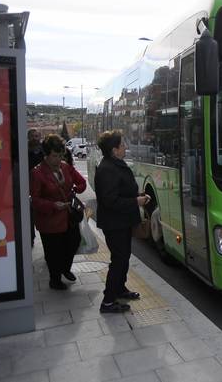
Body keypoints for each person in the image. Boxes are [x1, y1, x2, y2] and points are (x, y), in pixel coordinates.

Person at [95, 130, 150, 313]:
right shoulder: (107, 169)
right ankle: (108, 301)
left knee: (124, 257)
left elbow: (122, 191)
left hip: (122, 222)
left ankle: (120, 289)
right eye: (122, 144)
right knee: (118, 261)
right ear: (114, 149)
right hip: (114, 224)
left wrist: (138, 196)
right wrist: (136, 201)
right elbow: (110, 200)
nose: (125, 147)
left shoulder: (114, 164)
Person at [30, 134, 86, 290]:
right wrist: (54, 205)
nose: (58, 159)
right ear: (46, 155)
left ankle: (65, 268)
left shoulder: (65, 166)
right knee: (53, 252)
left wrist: (76, 189)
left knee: (73, 242)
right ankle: (54, 280)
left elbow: (81, 182)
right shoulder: (37, 173)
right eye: (54, 156)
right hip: (49, 221)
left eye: (60, 155)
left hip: (68, 217)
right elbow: (35, 200)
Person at [27, 129, 44, 248]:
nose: (35, 138)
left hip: (43, 186)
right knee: (29, 214)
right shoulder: (24, 150)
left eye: (37, 136)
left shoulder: (44, 150)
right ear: (28, 137)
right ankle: (30, 237)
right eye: (32, 136)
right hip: (27, 186)